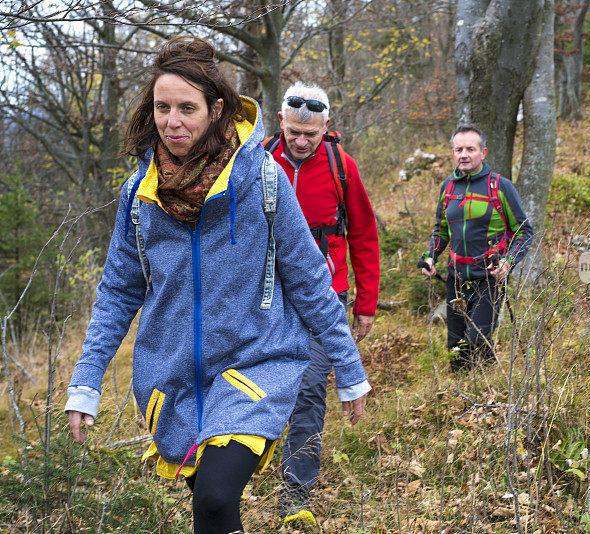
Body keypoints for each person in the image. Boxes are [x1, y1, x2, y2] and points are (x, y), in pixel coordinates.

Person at [64, 36, 369, 534]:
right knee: (216, 512)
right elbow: (119, 291)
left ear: (216, 109)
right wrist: (85, 380)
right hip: (174, 380)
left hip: (256, 365)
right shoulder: (139, 196)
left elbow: (311, 280)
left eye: (187, 108)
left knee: (213, 495)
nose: (172, 122)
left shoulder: (263, 182)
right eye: (162, 108)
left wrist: (348, 365)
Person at [263, 82, 379, 524]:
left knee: (311, 387)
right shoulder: (256, 162)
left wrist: (366, 303)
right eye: (294, 131)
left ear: (326, 126)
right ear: (280, 122)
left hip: (325, 297)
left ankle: (296, 496)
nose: (301, 141)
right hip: (266, 296)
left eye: (310, 133)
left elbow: (365, 236)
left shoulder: (341, 167)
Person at [419, 125, 533, 371]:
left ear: (483, 153)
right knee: (456, 349)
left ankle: (492, 390)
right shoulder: (448, 188)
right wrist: (430, 257)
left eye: (470, 149)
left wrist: (508, 262)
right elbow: (441, 230)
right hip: (456, 278)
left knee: (476, 340)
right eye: (458, 149)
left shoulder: (501, 187)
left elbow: (524, 232)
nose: (464, 154)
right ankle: (466, 398)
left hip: (489, 278)